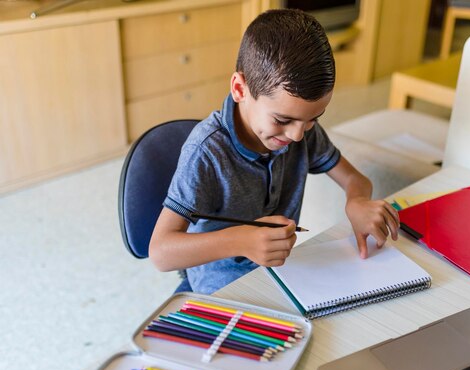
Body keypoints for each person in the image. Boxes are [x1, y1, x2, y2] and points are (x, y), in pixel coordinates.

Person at [149, 8, 400, 294]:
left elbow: (356, 180)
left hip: (283, 277)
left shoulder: (303, 132)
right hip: (222, 291)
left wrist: (356, 201)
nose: (296, 135)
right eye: (282, 120)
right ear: (240, 89)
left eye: (313, 119)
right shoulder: (206, 152)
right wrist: (242, 240)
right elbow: (161, 252)